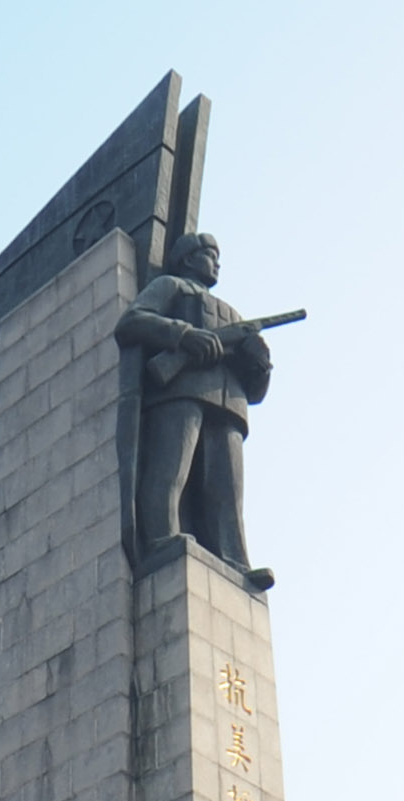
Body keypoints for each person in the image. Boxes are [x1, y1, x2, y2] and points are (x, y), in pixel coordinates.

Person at [118, 230, 275, 577]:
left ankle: (235, 560)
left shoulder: (234, 315)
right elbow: (131, 321)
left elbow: (257, 392)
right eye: (210, 254)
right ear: (187, 258)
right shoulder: (172, 286)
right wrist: (184, 335)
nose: (217, 262)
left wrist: (260, 362)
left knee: (228, 493)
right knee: (171, 470)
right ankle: (161, 537)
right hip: (181, 392)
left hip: (228, 408)